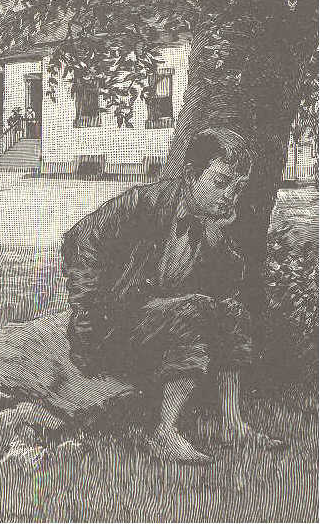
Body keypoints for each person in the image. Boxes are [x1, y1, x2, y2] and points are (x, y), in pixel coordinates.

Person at [62, 127, 282, 463]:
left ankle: (232, 423)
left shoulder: (211, 227)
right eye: (220, 183)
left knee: (232, 311)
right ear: (193, 175)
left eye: (236, 190)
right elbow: (79, 242)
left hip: (161, 325)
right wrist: (88, 312)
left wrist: (216, 240)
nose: (229, 197)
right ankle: (164, 431)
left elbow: (225, 290)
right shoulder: (145, 203)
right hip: (113, 327)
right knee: (195, 309)